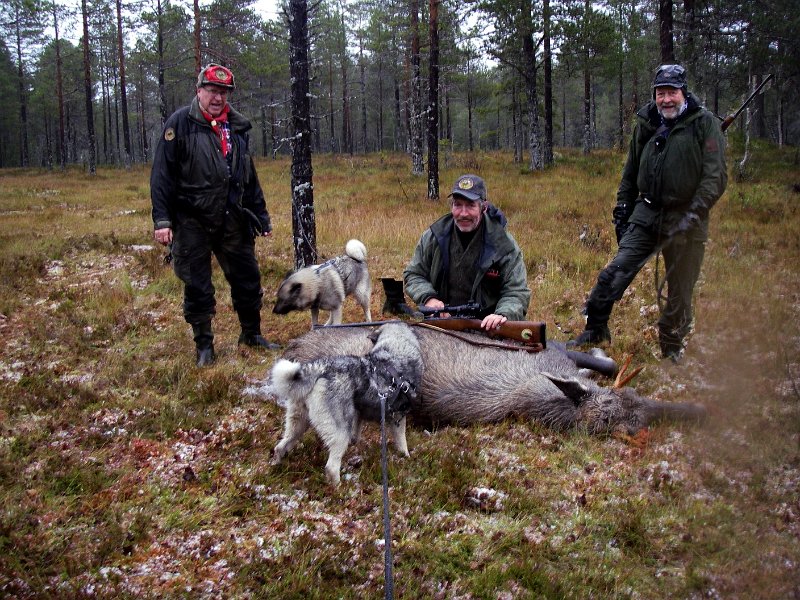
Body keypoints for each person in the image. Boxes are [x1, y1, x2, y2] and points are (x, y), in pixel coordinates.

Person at [568, 64, 727, 362]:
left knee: (680, 287)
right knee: (615, 270)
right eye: (660, 93)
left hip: (686, 217)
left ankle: (671, 346)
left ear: (683, 93)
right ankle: (596, 328)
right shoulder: (647, 122)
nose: (666, 100)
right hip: (647, 212)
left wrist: (694, 214)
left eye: (672, 93)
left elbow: (715, 177)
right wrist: (623, 208)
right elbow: (631, 170)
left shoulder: (704, 124)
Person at [150, 63, 279, 367]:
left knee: (247, 277)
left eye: (223, 92)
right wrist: (163, 220)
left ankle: (251, 333)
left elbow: (248, 174)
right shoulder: (180, 124)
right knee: (197, 284)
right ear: (199, 91)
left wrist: (261, 215)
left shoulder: (235, 127)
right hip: (192, 219)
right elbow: (161, 176)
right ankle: (204, 346)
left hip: (233, 216)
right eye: (212, 91)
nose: (218, 97)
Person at [403, 174, 531, 330]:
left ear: (484, 207)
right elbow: (413, 274)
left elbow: (516, 291)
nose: (463, 213)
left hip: (487, 328)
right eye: (457, 205)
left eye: (470, 205)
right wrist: (429, 298)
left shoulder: (504, 245)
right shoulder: (434, 236)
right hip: (441, 324)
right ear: (451, 207)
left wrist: (503, 314)